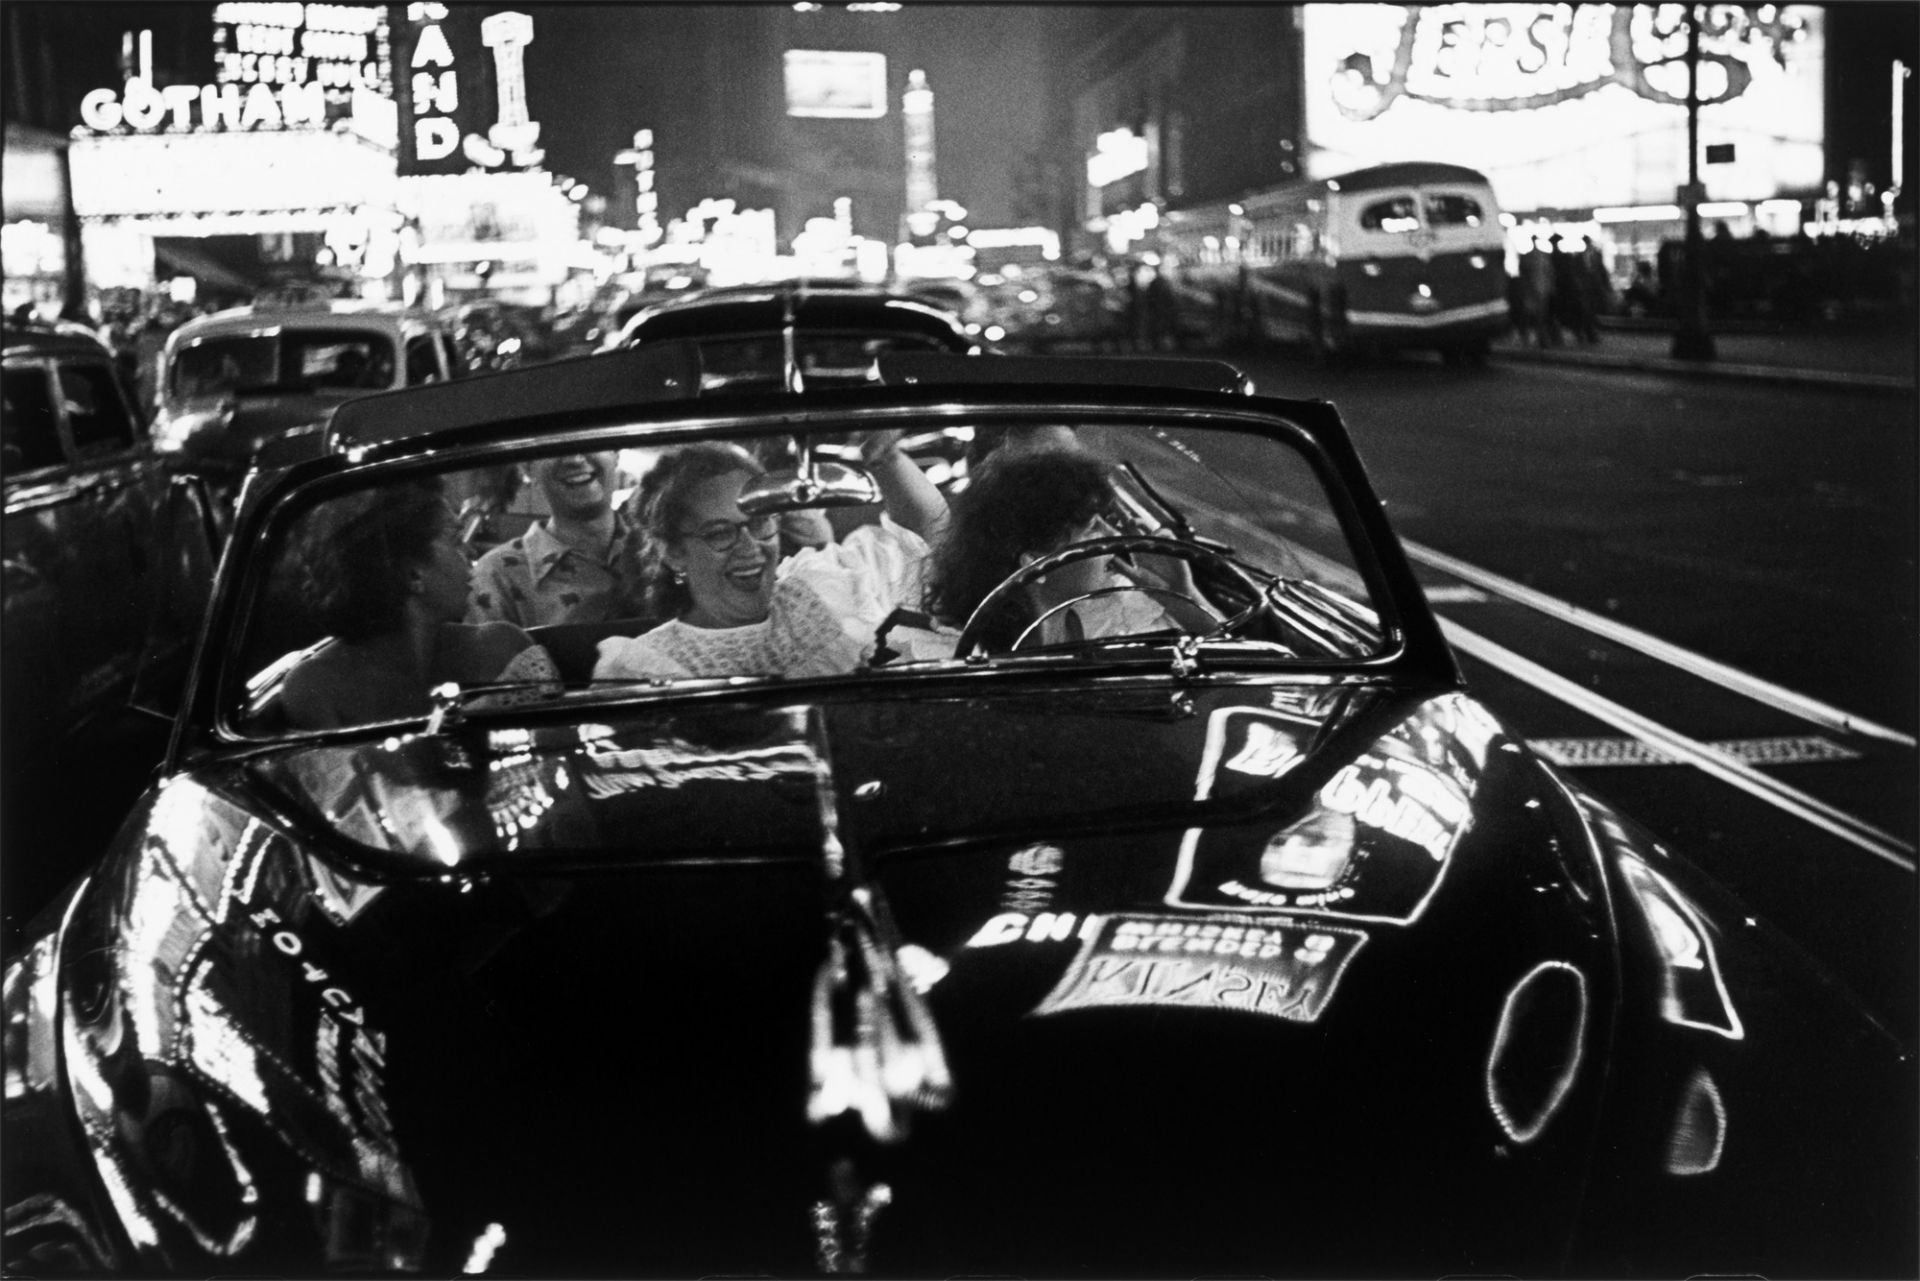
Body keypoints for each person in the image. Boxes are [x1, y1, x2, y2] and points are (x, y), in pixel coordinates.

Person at [592, 429, 949, 680]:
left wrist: (885, 457)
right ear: (673, 553)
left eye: (760, 523)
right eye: (720, 533)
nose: (751, 548)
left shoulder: (819, 585)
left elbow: (925, 537)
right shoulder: (642, 665)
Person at [280, 478, 559, 729]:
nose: (471, 552)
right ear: (414, 574)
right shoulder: (314, 686)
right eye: (455, 540)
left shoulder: (503, 649)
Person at [925, 447, 1217, 651]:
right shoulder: (967, 655)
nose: (1113, 535)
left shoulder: (1102, 614)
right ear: (1035, 563)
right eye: (1092, 528)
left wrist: (1183, 597)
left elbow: (1241, 658)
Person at [468, 451, 635, 627]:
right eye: (559, 447)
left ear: (616, 455)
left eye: (589, 441)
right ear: (528, 468)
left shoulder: (659, 550)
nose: (575, 459)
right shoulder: (496, 575)